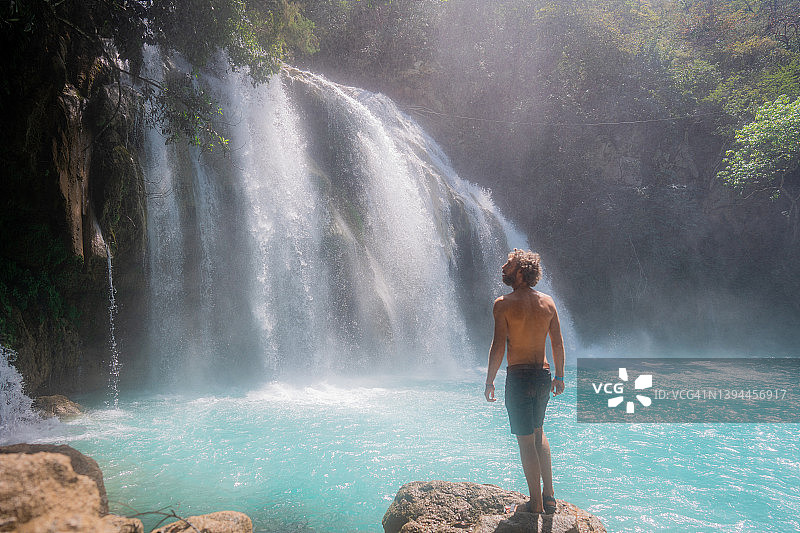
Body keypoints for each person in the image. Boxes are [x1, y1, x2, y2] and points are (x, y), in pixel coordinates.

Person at [484, 249, 565, 514]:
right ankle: (550, 495)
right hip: (542, 376)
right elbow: (557, 344)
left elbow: (498, 347)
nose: (503, 266)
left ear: (521, 271)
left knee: (525, 440)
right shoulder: (548, 303)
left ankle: (536, 504)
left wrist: (489, 381)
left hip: (518, 378)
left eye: (509, 264)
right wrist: (559, 376)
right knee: (539, 431)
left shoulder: (503, 304)